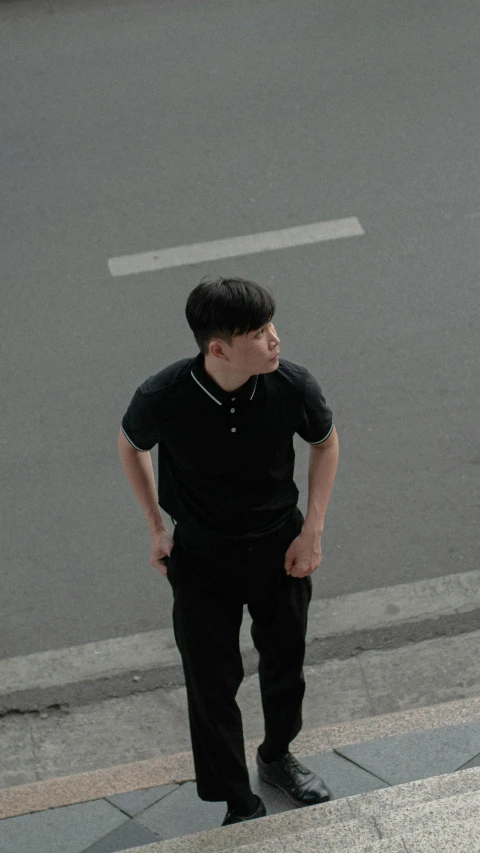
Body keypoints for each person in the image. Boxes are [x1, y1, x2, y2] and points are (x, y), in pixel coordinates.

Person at [117, 276, 339, 827]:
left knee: (285, 662)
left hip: (278, 547)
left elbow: (325, 443)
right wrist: (155, 528)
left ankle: (277, 755)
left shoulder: (291, 385)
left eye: (272, 326)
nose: (275, 340)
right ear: (218, 348)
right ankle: (238, 800)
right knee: (211, 683)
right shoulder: (163, 395)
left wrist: (312, 530)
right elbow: (131, 444)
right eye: (260, 333)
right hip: (201, 556)